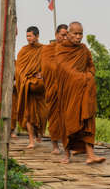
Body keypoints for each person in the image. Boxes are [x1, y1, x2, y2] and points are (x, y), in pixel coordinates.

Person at [42, 22, 105, 164]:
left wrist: (88, 76)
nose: (78, 37)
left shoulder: (84, 49)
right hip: (68, 93)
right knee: (68, 122)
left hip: (84, 91)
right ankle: (66, 154)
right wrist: (83, 78)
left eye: (80, 34)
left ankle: (90, 154)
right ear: (68, 34)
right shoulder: (61, 49)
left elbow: (91, 66)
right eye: (75, 34)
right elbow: (64, 69)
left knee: (87, 121)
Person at [15, 26, 48, 149]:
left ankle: (39, 133)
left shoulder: (44, 50)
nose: (28, 38)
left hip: (40, 88)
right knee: (28, 115)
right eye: (27, 36)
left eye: (30, 36)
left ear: (37, 36)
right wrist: (25, 79)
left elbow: (50, 65)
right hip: (27, 87)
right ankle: (31, 140)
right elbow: (19, 68)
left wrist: (43, 74)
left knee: (42, 114)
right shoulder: (24, 50)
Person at [41, 24, 68, 154]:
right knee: (53, 117)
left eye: (67, 35)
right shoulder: (48, 50)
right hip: (53, 88)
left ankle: (69, 146)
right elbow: (47, 66)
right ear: (56, 35)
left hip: (67, 89)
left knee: (68, 117)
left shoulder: (70, 50)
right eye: (63, 35)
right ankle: (55, 146)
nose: (65, 38)